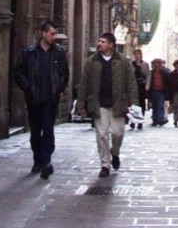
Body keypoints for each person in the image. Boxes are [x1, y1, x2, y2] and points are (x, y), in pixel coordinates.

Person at [76, 31, 139, 177]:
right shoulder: (91, 61)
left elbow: (131, 82)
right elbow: (84, 82)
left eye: (103, 41)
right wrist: (81, 101)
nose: (99, 44)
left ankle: (114, 153)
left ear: (111, 45)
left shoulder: (123, 61)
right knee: (102, 134)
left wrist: (134, 101)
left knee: (118, 133)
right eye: (99, 41)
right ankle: (105, 165)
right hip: (99, 103)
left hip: (118, 102)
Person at [14, 20, 70, 179]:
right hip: (34, 98)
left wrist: (59, 86)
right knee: (35, 131)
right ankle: (38, 160)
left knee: (49, 130)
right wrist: (27, 87)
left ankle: (46, 162)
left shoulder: (59, 52)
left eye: (55, 34)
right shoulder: (29, 52)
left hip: (51, 98)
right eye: (52, 34)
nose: (54, 37)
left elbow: (65, 73)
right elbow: (18, 72)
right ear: (43, 33)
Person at [147, 58, 171, 126]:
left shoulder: (164, 73)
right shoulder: (151, 73)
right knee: (154, 106)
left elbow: (168, 83)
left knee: (160, 105)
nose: (158, 65)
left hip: (161, 91)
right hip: (153, 91)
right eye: (157, 63)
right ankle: (155, 120)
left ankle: (160, 119)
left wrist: (167, 92)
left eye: (159, 63)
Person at [130, 48, 150, 129]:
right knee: (134, 104)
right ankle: (133, 121)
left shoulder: (145, 64)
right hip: (134, 86)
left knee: (141, 104)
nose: (137, 56)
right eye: (135, 54)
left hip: (142, 85)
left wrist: (147, 85)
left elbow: (148, 75)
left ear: (141, 55)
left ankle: (140, 121)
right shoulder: (131, 64)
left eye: (138, 54)